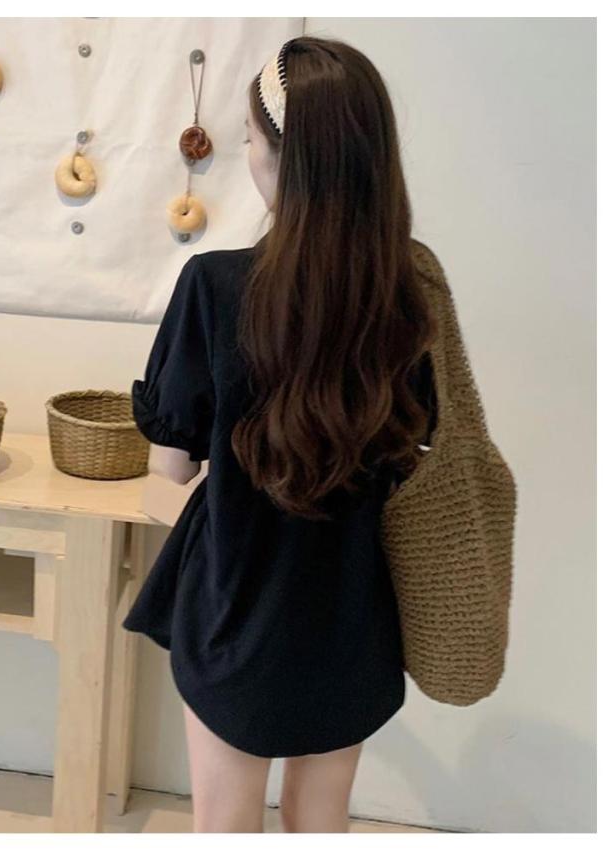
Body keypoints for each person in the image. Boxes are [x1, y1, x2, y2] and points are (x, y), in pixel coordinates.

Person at [122, 34, 438, 833]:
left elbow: (168, 470)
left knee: (224, 824)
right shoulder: (408, 295)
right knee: (319, 819)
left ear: (283, 158)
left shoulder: (215, 287)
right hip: (350, 618)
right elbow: (416, 449)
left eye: (251, 139)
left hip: (236, 609)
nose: (248, 154)